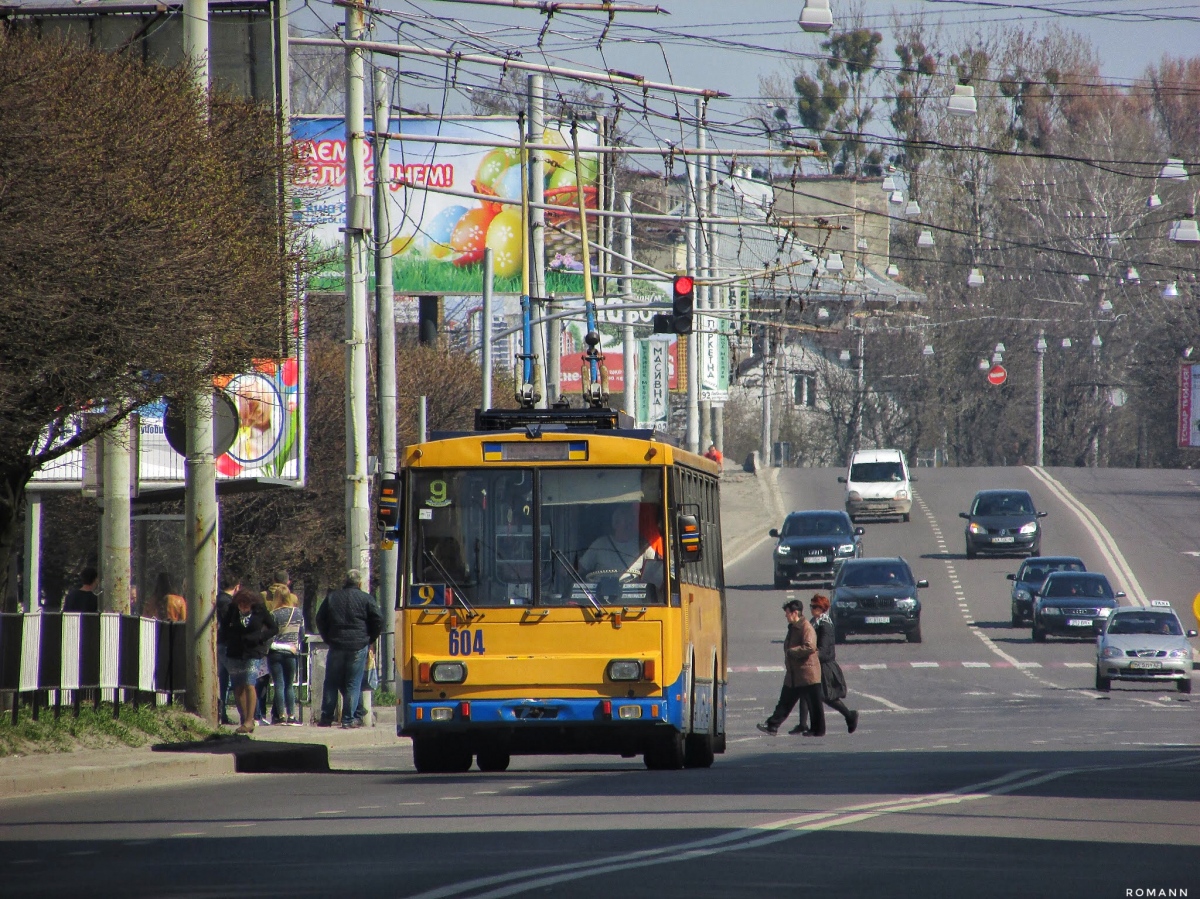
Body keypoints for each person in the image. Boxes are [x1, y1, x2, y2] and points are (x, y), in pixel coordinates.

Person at [316, 569, 383, 729]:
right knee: (354, 682)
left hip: (336, 644)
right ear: (359, 583)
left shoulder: (332, 597)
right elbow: (378, 619)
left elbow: (320, 618)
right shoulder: (366, 599)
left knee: (331, 682)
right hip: (358, 645)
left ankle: (326, 718)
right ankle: (348, 719)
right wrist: (369, 638)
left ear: (345, 581)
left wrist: (328, 637)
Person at [757, 599, 825, 737]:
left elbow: (810, 646)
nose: (785, 616)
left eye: (787, 613)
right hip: (795, 674)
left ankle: (818, 730)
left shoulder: (806, 627)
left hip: (807, 674)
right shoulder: (793, 627)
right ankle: (772, 726)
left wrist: (792, 651)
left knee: (814, 704)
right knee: (785, 702)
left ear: (795, 613)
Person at [793, 594, 859, 735]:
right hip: (816, 665)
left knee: (826, 697)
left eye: (815, 606)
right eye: (811, 606)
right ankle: (803, 724)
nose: (812, 609)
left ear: (822, 608)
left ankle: (849, 715)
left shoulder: (825, 625)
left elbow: (824, 650)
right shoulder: (814, 622)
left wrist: (809, 656)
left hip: (825, 667)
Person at [220, 587, 277, 734]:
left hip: (252, 652)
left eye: (246, 604)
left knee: (249, 683)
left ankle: (250, 719)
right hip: (234, 652)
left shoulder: (259, 610)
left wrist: (260, 638)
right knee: (237, 687)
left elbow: (273, 628)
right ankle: (244, 718)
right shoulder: (232, 611)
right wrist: (226, 641)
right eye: (241, 604)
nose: (243, 607)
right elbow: (224, 629)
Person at [579, 506, 661, 584]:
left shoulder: (642, 545)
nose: (629, 526)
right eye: (626, 523)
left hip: (634, 595)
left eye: (631, 523)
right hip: (600, 595)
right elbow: (581, 567)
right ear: (615, 524)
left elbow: (655, 569)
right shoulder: (600, 544)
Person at [268, 584, 304, 726]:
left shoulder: (273, 615)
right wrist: (294, 645)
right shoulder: (298, 613)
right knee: (289, 685)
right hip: (291, 652)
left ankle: (280, 715)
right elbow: (301, 633)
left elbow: (269, 637)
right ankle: (292, 716)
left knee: (279, 684)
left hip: (275, 652)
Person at [215, 571, 241, 726]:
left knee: (223, 681)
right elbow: (228, 623)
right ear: (236, 587)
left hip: (220, 642)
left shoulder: (218, 599)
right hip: (226, 644)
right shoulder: (227, 602)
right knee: (235, 679)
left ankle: (222, 712)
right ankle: (227, 713)